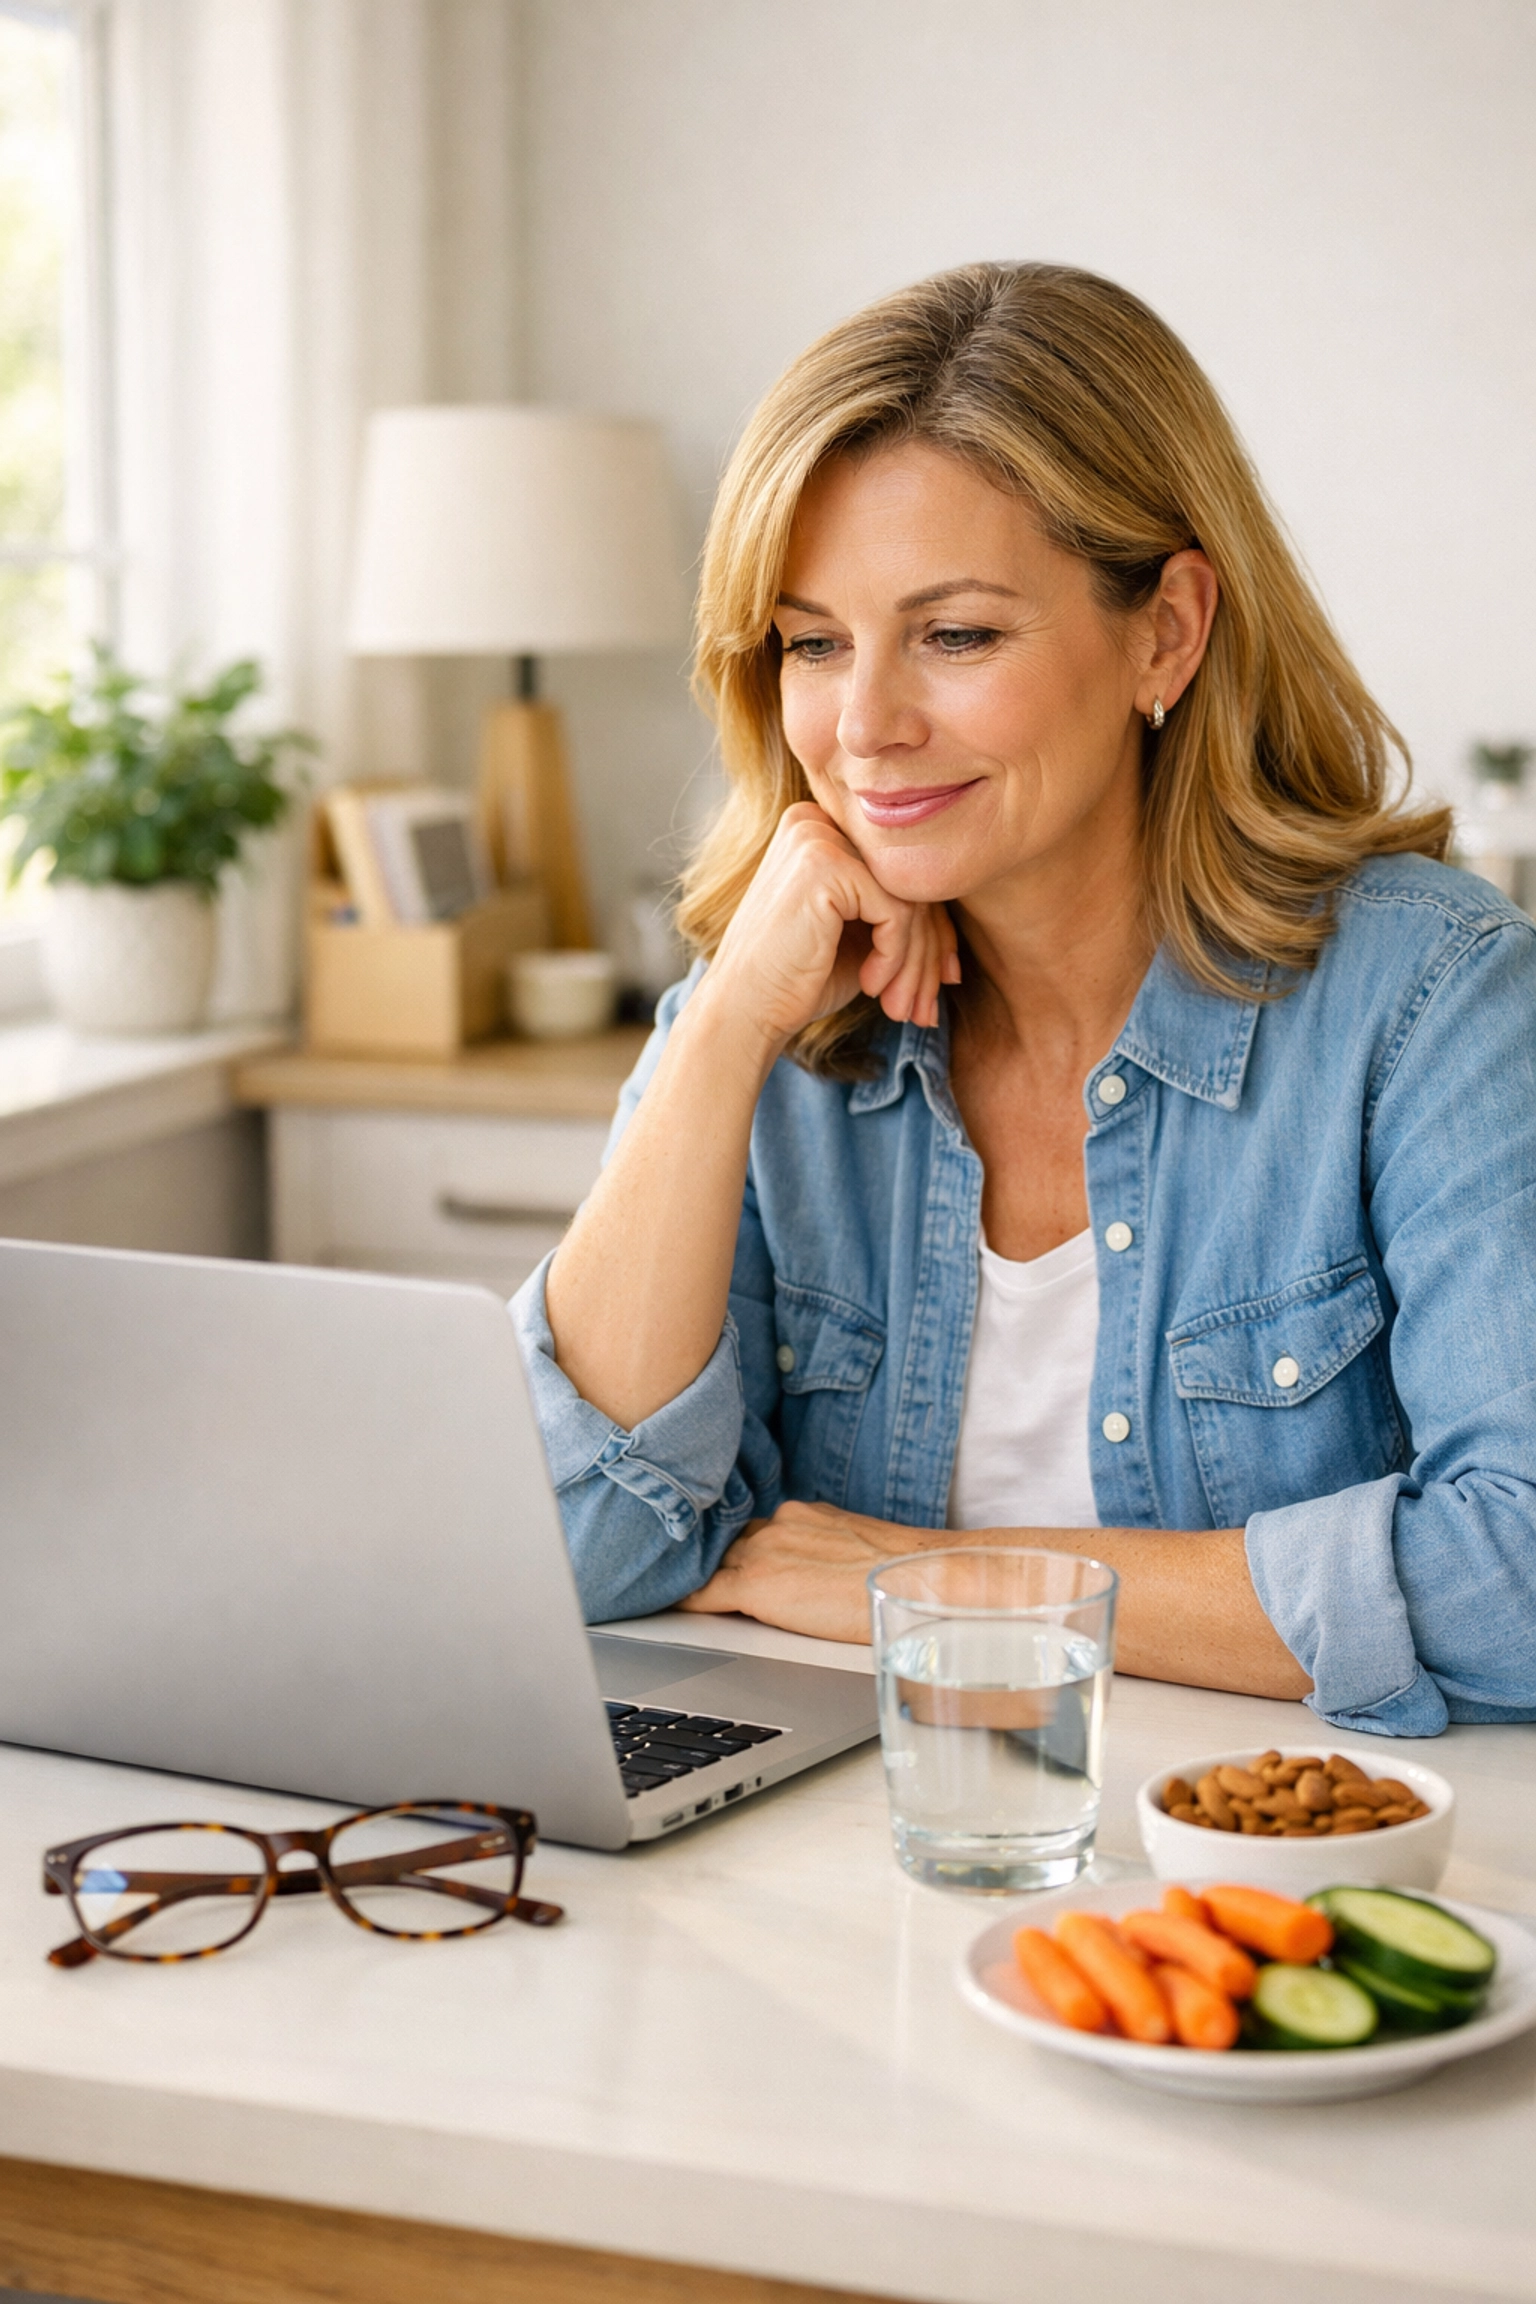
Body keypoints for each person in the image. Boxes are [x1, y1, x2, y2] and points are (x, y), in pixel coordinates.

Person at [514, 261, 1536, 1736]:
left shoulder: (1432, 1005)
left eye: (959, 635)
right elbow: (572, 1546)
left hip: (1255, 1885)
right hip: (848, 1879)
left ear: (1166, 633)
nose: (863, 727)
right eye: (813, 641)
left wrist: (942, 1580)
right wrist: (728, 1022)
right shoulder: (775, 1025)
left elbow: (1513, 1578)